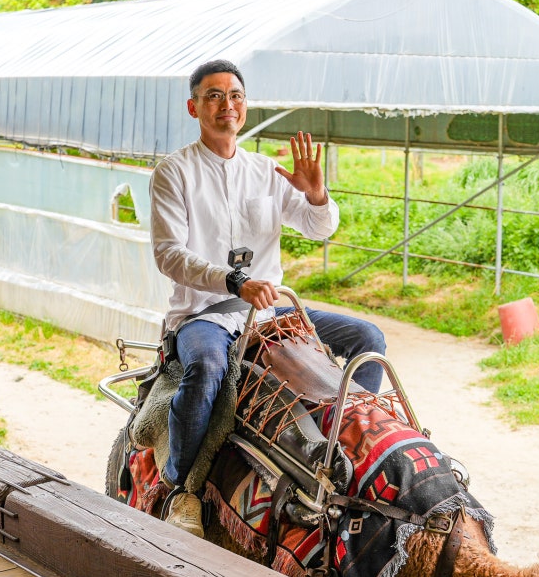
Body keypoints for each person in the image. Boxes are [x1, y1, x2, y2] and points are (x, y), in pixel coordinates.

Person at [149, 59, 386, 535]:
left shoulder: (266, 171)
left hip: (271, 311)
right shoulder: (173, 172)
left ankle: (351, 445)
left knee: (368, 335)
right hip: (205, 314)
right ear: (194, 107)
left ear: (245, 106)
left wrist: (318, 195)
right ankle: (181, 489)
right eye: (214, 96)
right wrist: (235, 282)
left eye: (235, 95)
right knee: (208, 369)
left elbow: (320, 228)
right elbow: (169, 255)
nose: (226, 105)